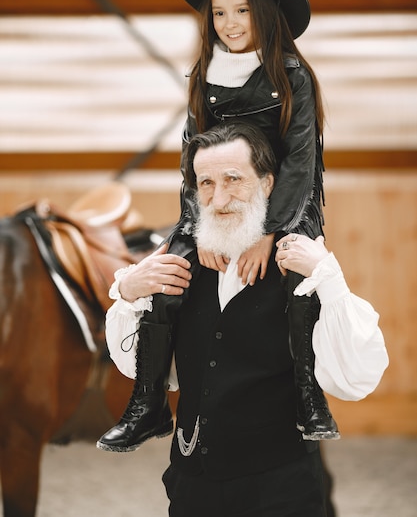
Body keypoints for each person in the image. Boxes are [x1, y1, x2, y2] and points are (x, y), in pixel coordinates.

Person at [97, 0, 337, 453]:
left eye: (241, 10)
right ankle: (148, 404)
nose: (229, 23)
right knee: (166, 274)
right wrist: (197, 231)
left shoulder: (293, 75)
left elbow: (298, 164)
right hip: (214, 205)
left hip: (284, 205)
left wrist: (268, 233)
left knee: (300, 278)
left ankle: (307, 394)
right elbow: (191, 167)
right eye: (220, 12)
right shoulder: (201, 79)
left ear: (263, 11)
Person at [102, 122, 389, 517]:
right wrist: (129, 294)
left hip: (282, 488)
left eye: (233, 179)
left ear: (268, 183)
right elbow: (144, 369)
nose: (218, 198)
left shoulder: (301, 270)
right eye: (206, 183)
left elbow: (355, 380)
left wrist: (330, 278)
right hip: (192, 485)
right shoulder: (177, 268)